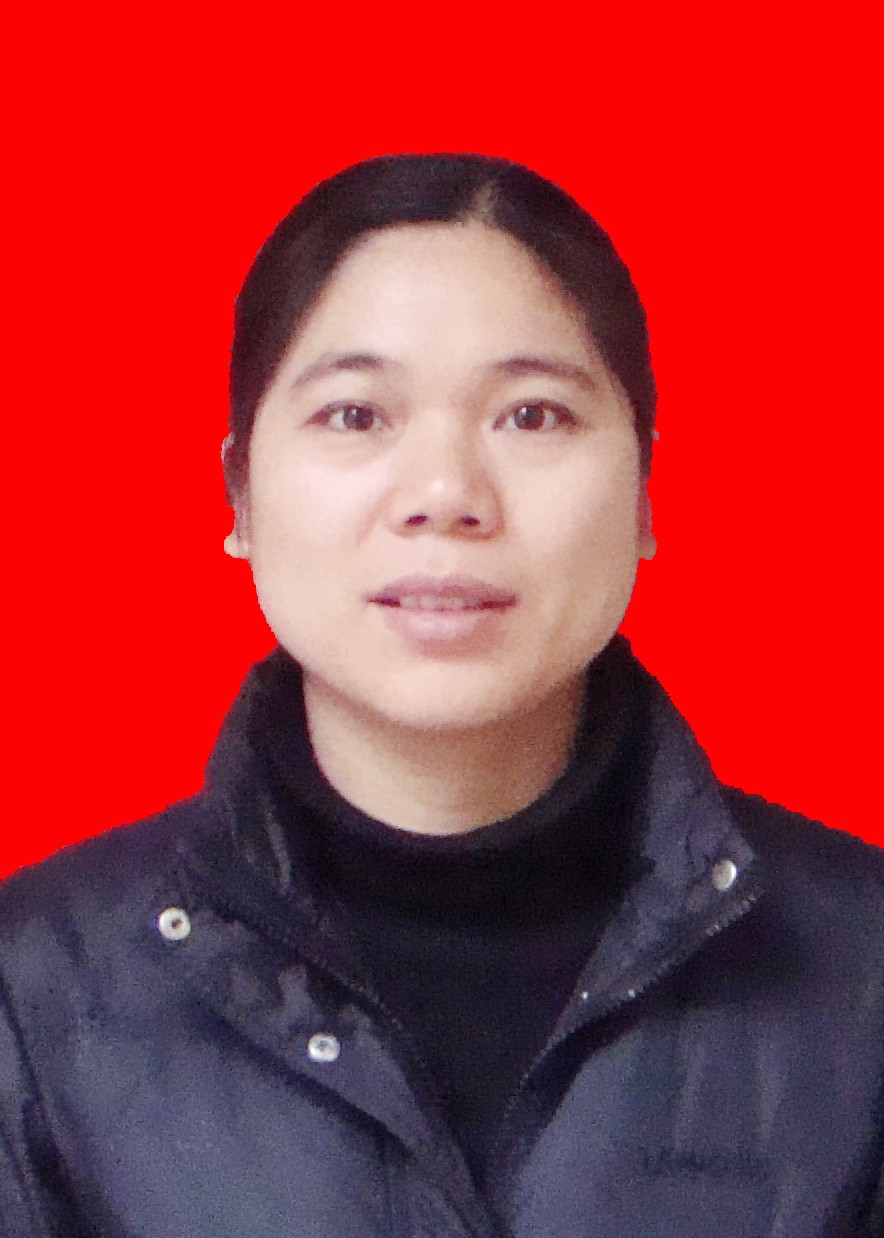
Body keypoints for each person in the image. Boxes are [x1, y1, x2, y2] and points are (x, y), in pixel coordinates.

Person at [0, 154, 881, 1238]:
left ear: (646, 491)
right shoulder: (34, 992)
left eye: (532, 416)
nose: (444, 494)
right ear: (239, 494)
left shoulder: (862, 968)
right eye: (355, 415)